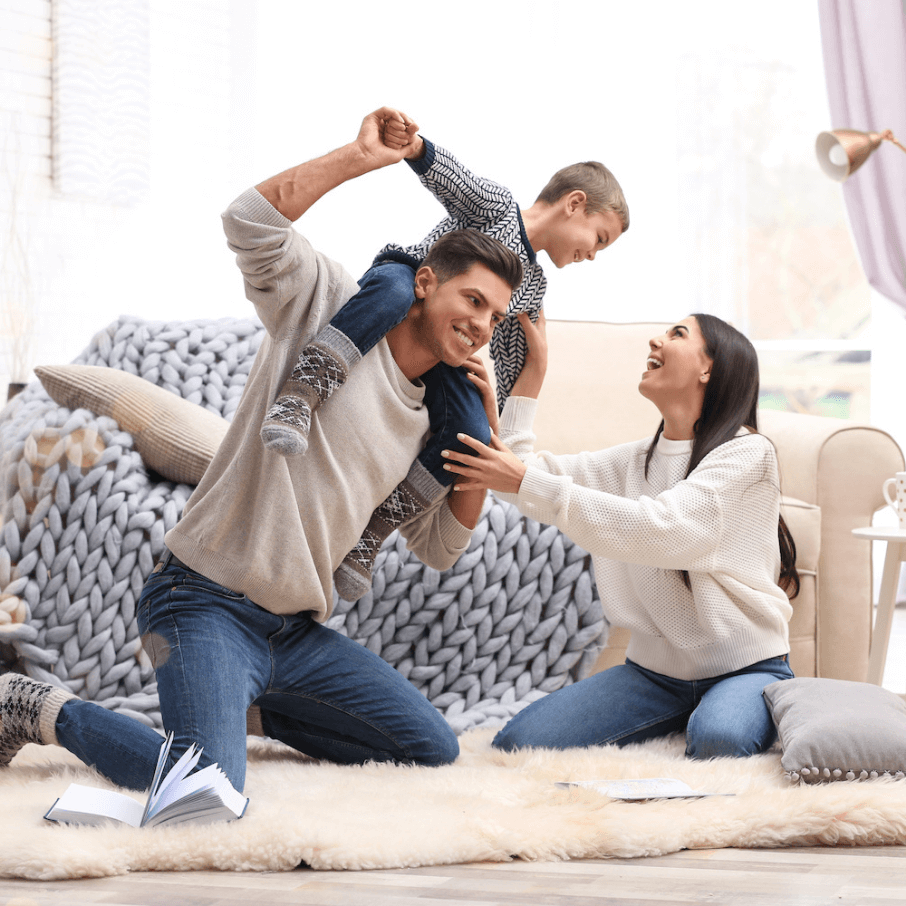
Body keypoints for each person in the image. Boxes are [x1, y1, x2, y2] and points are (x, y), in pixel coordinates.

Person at [0, 107, 523, 793]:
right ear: (425, 282)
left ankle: (245, 708)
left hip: (294, 635)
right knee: (204, 790)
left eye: (495, 316)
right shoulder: (330, 304)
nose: (482, 325)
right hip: (202, 603)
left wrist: (482, 433)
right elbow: (248, 220)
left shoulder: (442, 413)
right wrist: (358, 158)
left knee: (428, 747)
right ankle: (33, 706)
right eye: (473, 300)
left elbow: (441, 547)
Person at [261, 112, 630, 603]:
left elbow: (511, 365)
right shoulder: (497, 207)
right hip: (410, 282)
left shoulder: (533, 289)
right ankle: (299, 395)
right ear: (575, 204)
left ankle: (371, 535)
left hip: (446, 352)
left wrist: (533, 373)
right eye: (598, 239)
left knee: (473, 438)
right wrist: (414, 147)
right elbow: (459, 183)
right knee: (393, 294)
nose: (593, 256)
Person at [441, 311, 799, 759]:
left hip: (744, 668)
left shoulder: (749, 453)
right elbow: (520, 480)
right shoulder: (633, 462)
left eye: (678, 333)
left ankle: (738, 705)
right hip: (652, 677)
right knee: (519, 743)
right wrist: (533, 374)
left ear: (709, 367)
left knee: (719, 740)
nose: (656, 339)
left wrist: (525, 481)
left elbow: (666, 529)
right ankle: (688, 716)